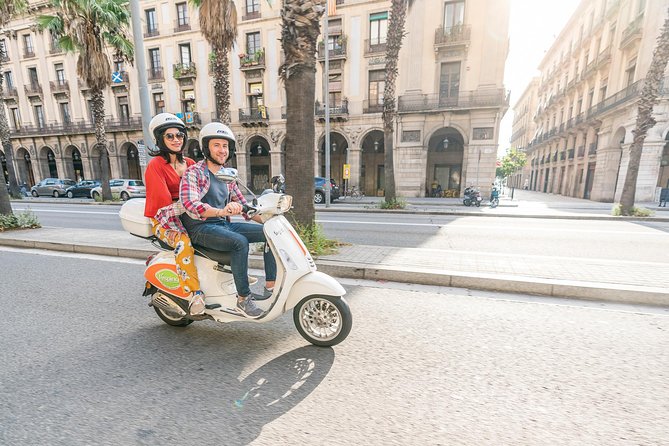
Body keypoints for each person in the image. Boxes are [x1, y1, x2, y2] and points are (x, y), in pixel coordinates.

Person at [180, 122, 276, 319]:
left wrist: (270, 219)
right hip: (200, 228)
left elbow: (245, 207)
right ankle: (243, 299)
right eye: (216, 145)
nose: (222, 150)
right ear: (207, 148)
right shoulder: (194, 172)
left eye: (225, 146)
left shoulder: (228, 175)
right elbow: (191, 204)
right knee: (238, 243)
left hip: (221, 225)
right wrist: (221, 210)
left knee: (270, 233)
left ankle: (271, 286)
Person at [143, 113, 205, 315]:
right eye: (170, 136)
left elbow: (204, 188)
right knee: (184, 243)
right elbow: (162, 206)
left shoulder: (190, 163)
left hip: (189, 213)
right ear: (160, 139)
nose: (176, 139)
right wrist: (190, 205)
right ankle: (195, 294)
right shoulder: (156, 166)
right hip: (164, 220)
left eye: (180, 135)